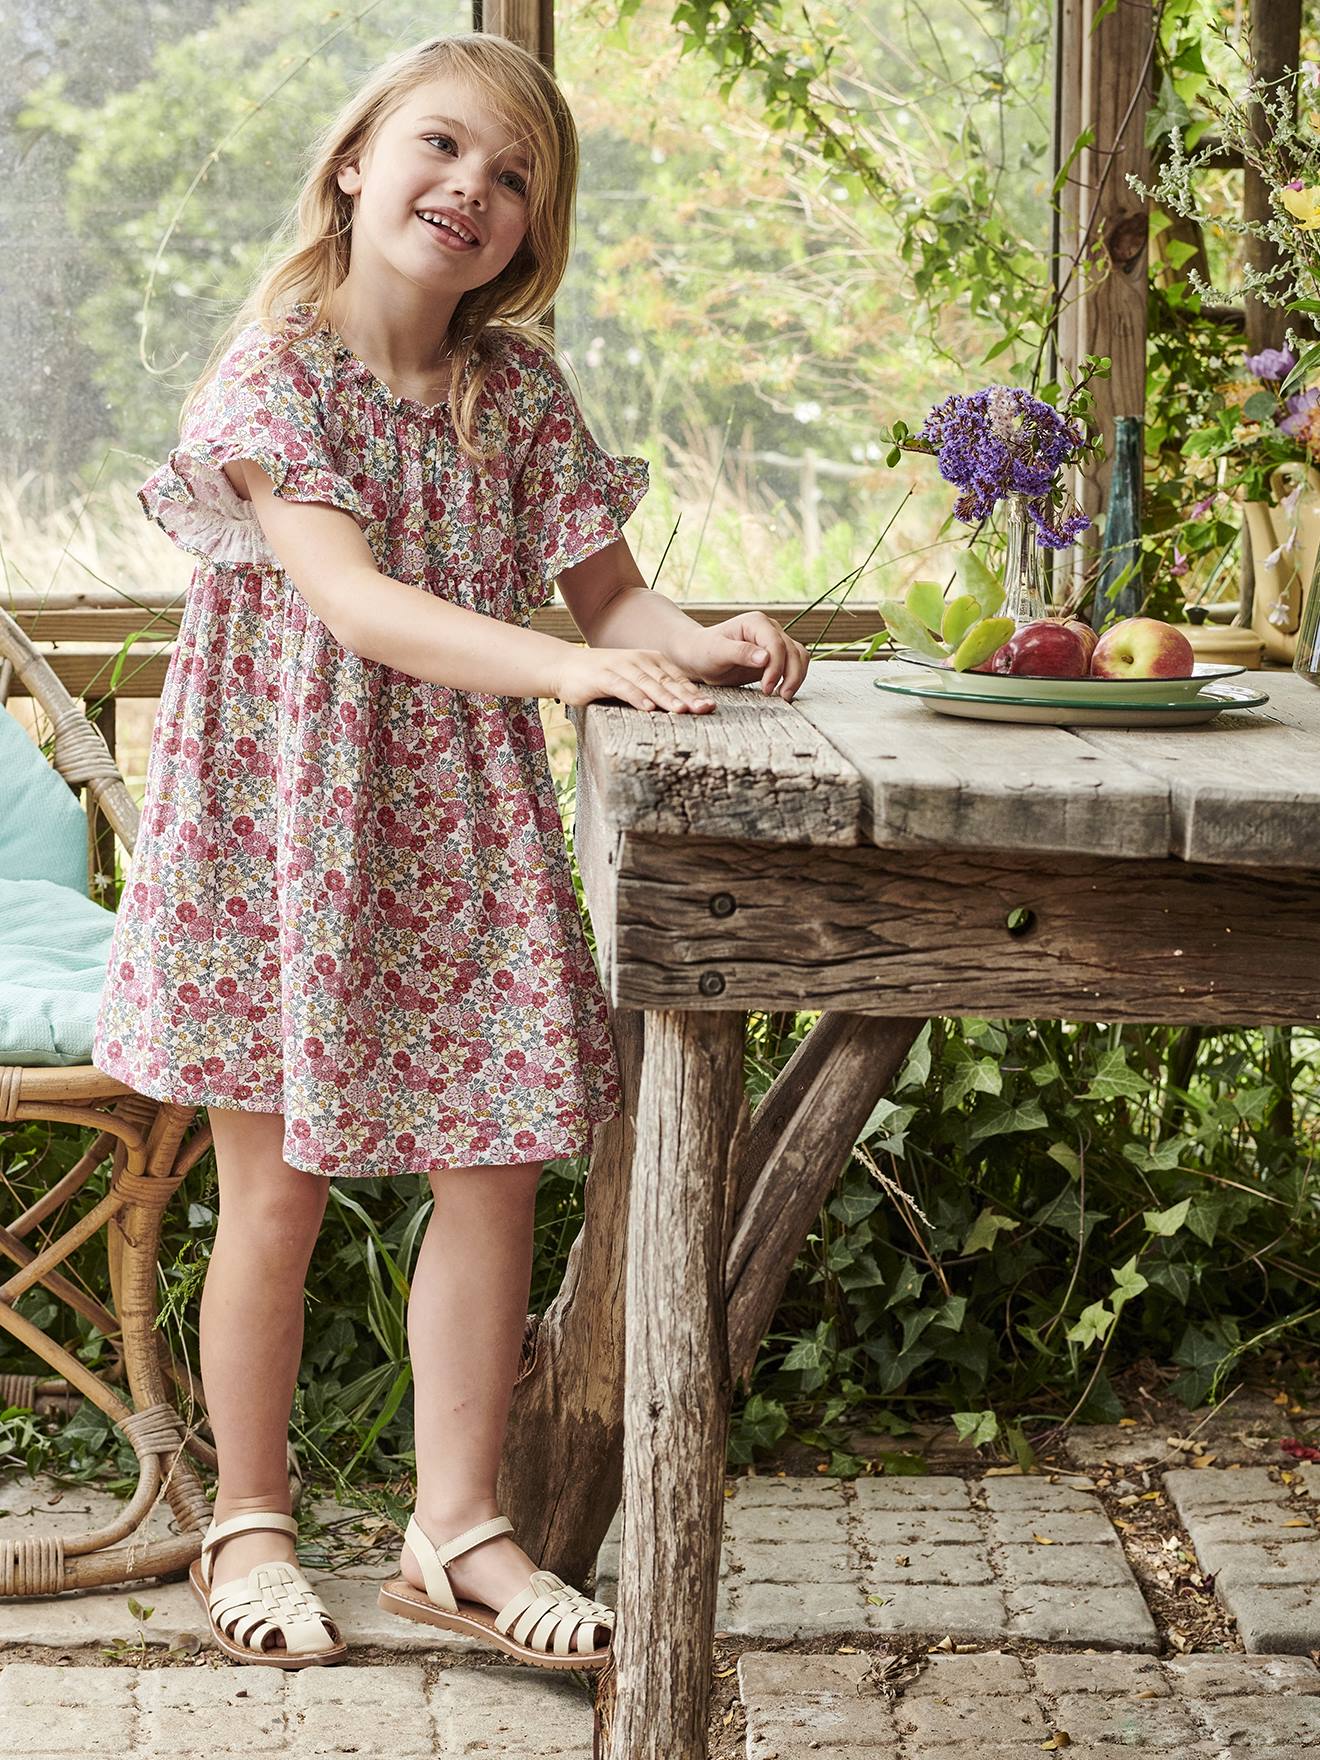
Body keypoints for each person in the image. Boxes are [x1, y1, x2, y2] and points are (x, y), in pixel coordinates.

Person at [93, 29, 809, 1671]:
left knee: (490, 1172)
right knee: (270, 1191)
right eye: (441, 149)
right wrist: (569, 670)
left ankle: (457, 1531)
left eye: (513, 180)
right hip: (283, 827)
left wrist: (687, 639)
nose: (470, 192)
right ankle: (250, 1523)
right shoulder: (275, 372)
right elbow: (352, 603)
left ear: (531, 229)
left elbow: (608, 594)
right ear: (355, 161)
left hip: (460, 827)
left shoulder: (520, 390)